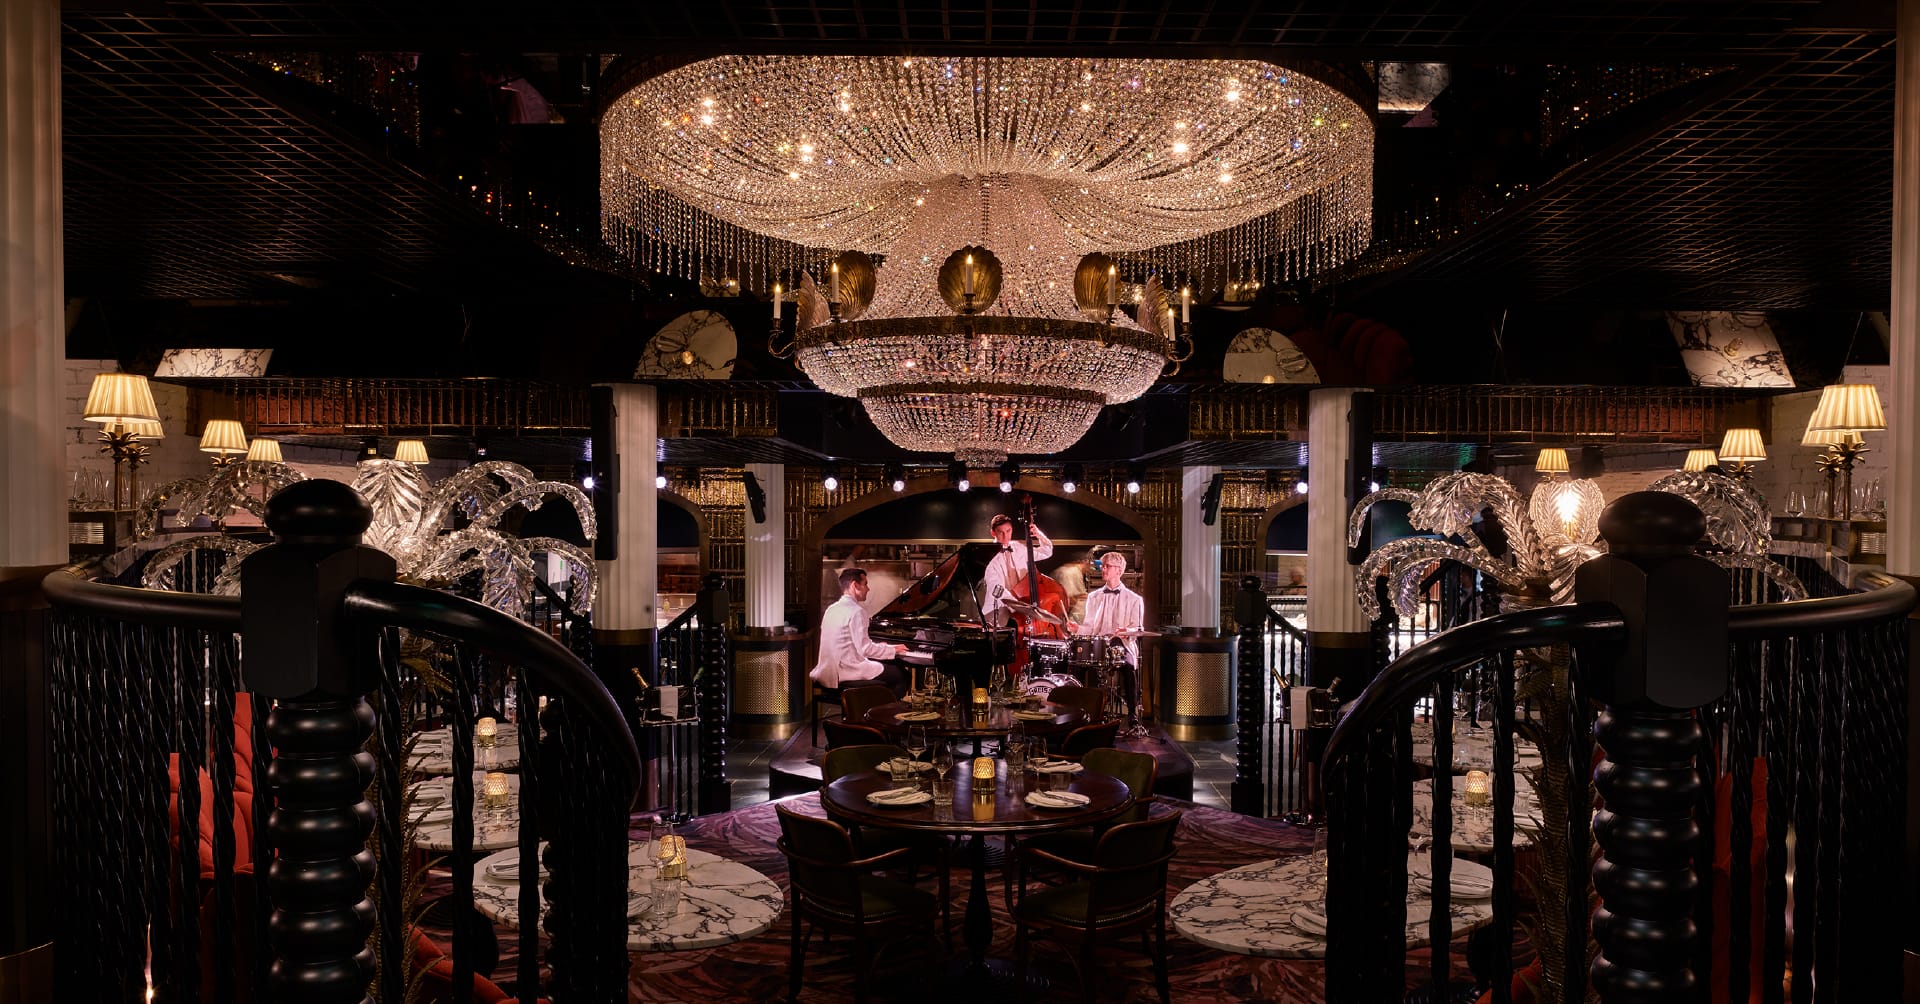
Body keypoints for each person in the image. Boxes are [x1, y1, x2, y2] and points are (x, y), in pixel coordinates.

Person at [809, 568, 911, 698]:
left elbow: (849, 644)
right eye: (865, 584)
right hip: (846, 671)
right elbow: (865, 649)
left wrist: (885, 647)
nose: (868, 589)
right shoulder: (857, 611)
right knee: (902, 675)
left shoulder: (831, 609)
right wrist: (892, 650)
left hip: (828, 671)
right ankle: (879, 709)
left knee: (892, 668)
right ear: (855, 585)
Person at [1071, 551, 1145, 723]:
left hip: (1122, 645)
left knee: (1129, 667)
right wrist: (1077, 628)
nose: (1103, 569)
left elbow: (1138, 628)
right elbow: (1089, 627)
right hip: (1098, 646)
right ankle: (1079, 710)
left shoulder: (1134, 599)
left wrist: (1127, 630)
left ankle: (1133, 712)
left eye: (1107, 566)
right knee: (1077, 663)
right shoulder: (1093, 597)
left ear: (1119, 570)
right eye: (1102, 566)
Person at [980, 512, 1054, 625]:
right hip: (997, 610)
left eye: (1008, 531)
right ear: (993, 533)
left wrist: (1038, 534)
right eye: (1001, 532)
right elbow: (997, 588)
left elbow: (1047, 552)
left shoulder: (1019, 548)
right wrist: (1019, 606)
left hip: (1022, 607)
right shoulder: (987, 556)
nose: (1005, 536)